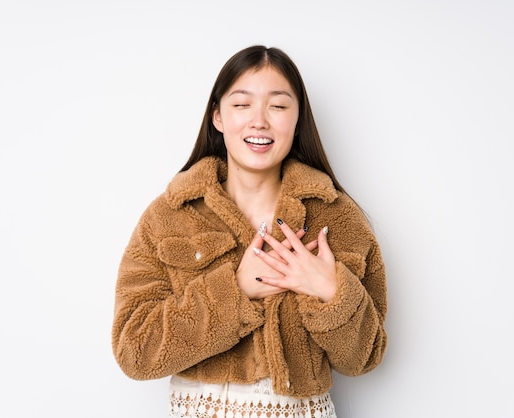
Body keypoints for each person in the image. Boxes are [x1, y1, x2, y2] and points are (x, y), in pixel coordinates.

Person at [112, 45, 388, 418]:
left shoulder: (336, 216)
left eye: (278, 106)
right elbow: (135, 353)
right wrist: (234, 291)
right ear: (218, 117)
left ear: (297, 119)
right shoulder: (170, 215)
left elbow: (364, 358)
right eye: (242, 104)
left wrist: (331, 291)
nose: (259, 121)